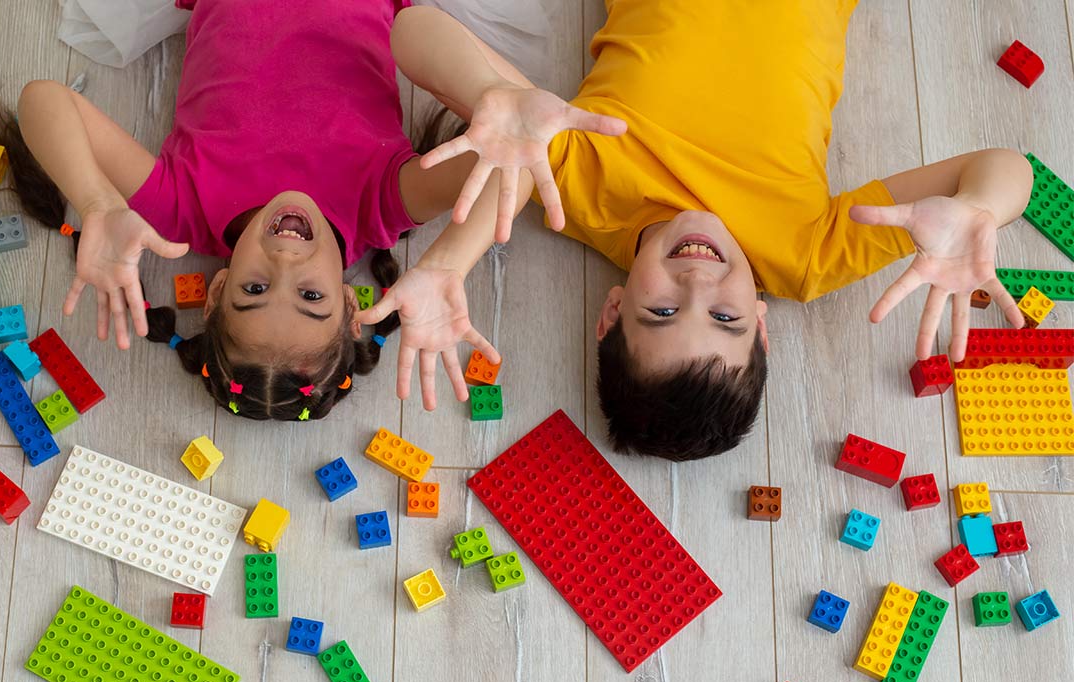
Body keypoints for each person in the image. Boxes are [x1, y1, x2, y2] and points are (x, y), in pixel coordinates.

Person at [423, 0, 1031, 460]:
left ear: (611, 312)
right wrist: (978, 205)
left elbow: (416, 30)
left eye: (662, 312)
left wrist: (449, 261)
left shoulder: (573, 189)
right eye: (726, 318)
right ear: (761, 326)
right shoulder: (808, 257)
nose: (697, 283)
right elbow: (1008, 168)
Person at [0, 0, 622, 418]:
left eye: (256, 288)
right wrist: (449, 263)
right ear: (353, 306)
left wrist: (98, 198)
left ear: (214, 292)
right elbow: (415, 32)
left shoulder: (181, 209)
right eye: (312, 298)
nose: (287, 259)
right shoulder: (379, 203)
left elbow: (44, 100)